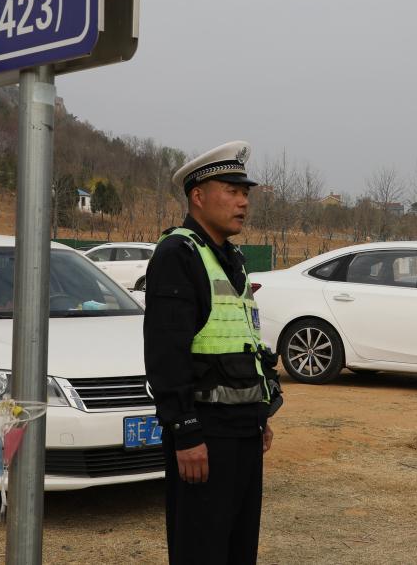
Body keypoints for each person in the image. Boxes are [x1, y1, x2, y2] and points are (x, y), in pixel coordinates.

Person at [144, 141, 283, 565]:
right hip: (205, 435)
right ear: (198, 196)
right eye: (232, 191)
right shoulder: (178, 254)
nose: (243, 202)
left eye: (246, 193)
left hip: (243, 432)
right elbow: (166, 354)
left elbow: (242, 343)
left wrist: (259, 415)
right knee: (201, 550)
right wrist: (185, 432)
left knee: (238, 549)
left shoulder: (229, 258)